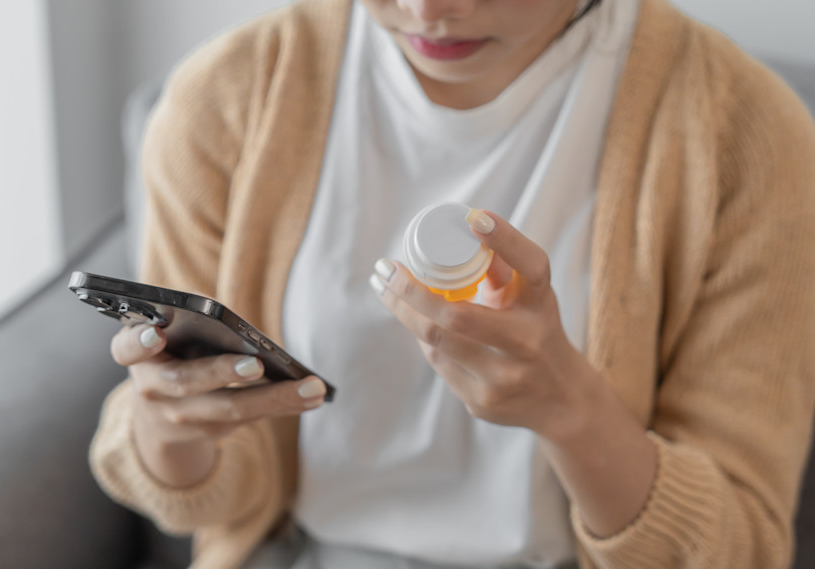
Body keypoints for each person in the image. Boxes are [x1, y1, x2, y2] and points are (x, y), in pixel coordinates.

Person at [89, 0, 815, 568]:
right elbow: (215, 489)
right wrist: (167, 428)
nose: (428, 9)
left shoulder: (748, 136)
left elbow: (739, 546)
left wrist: (568, 405)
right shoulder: (224, 100)